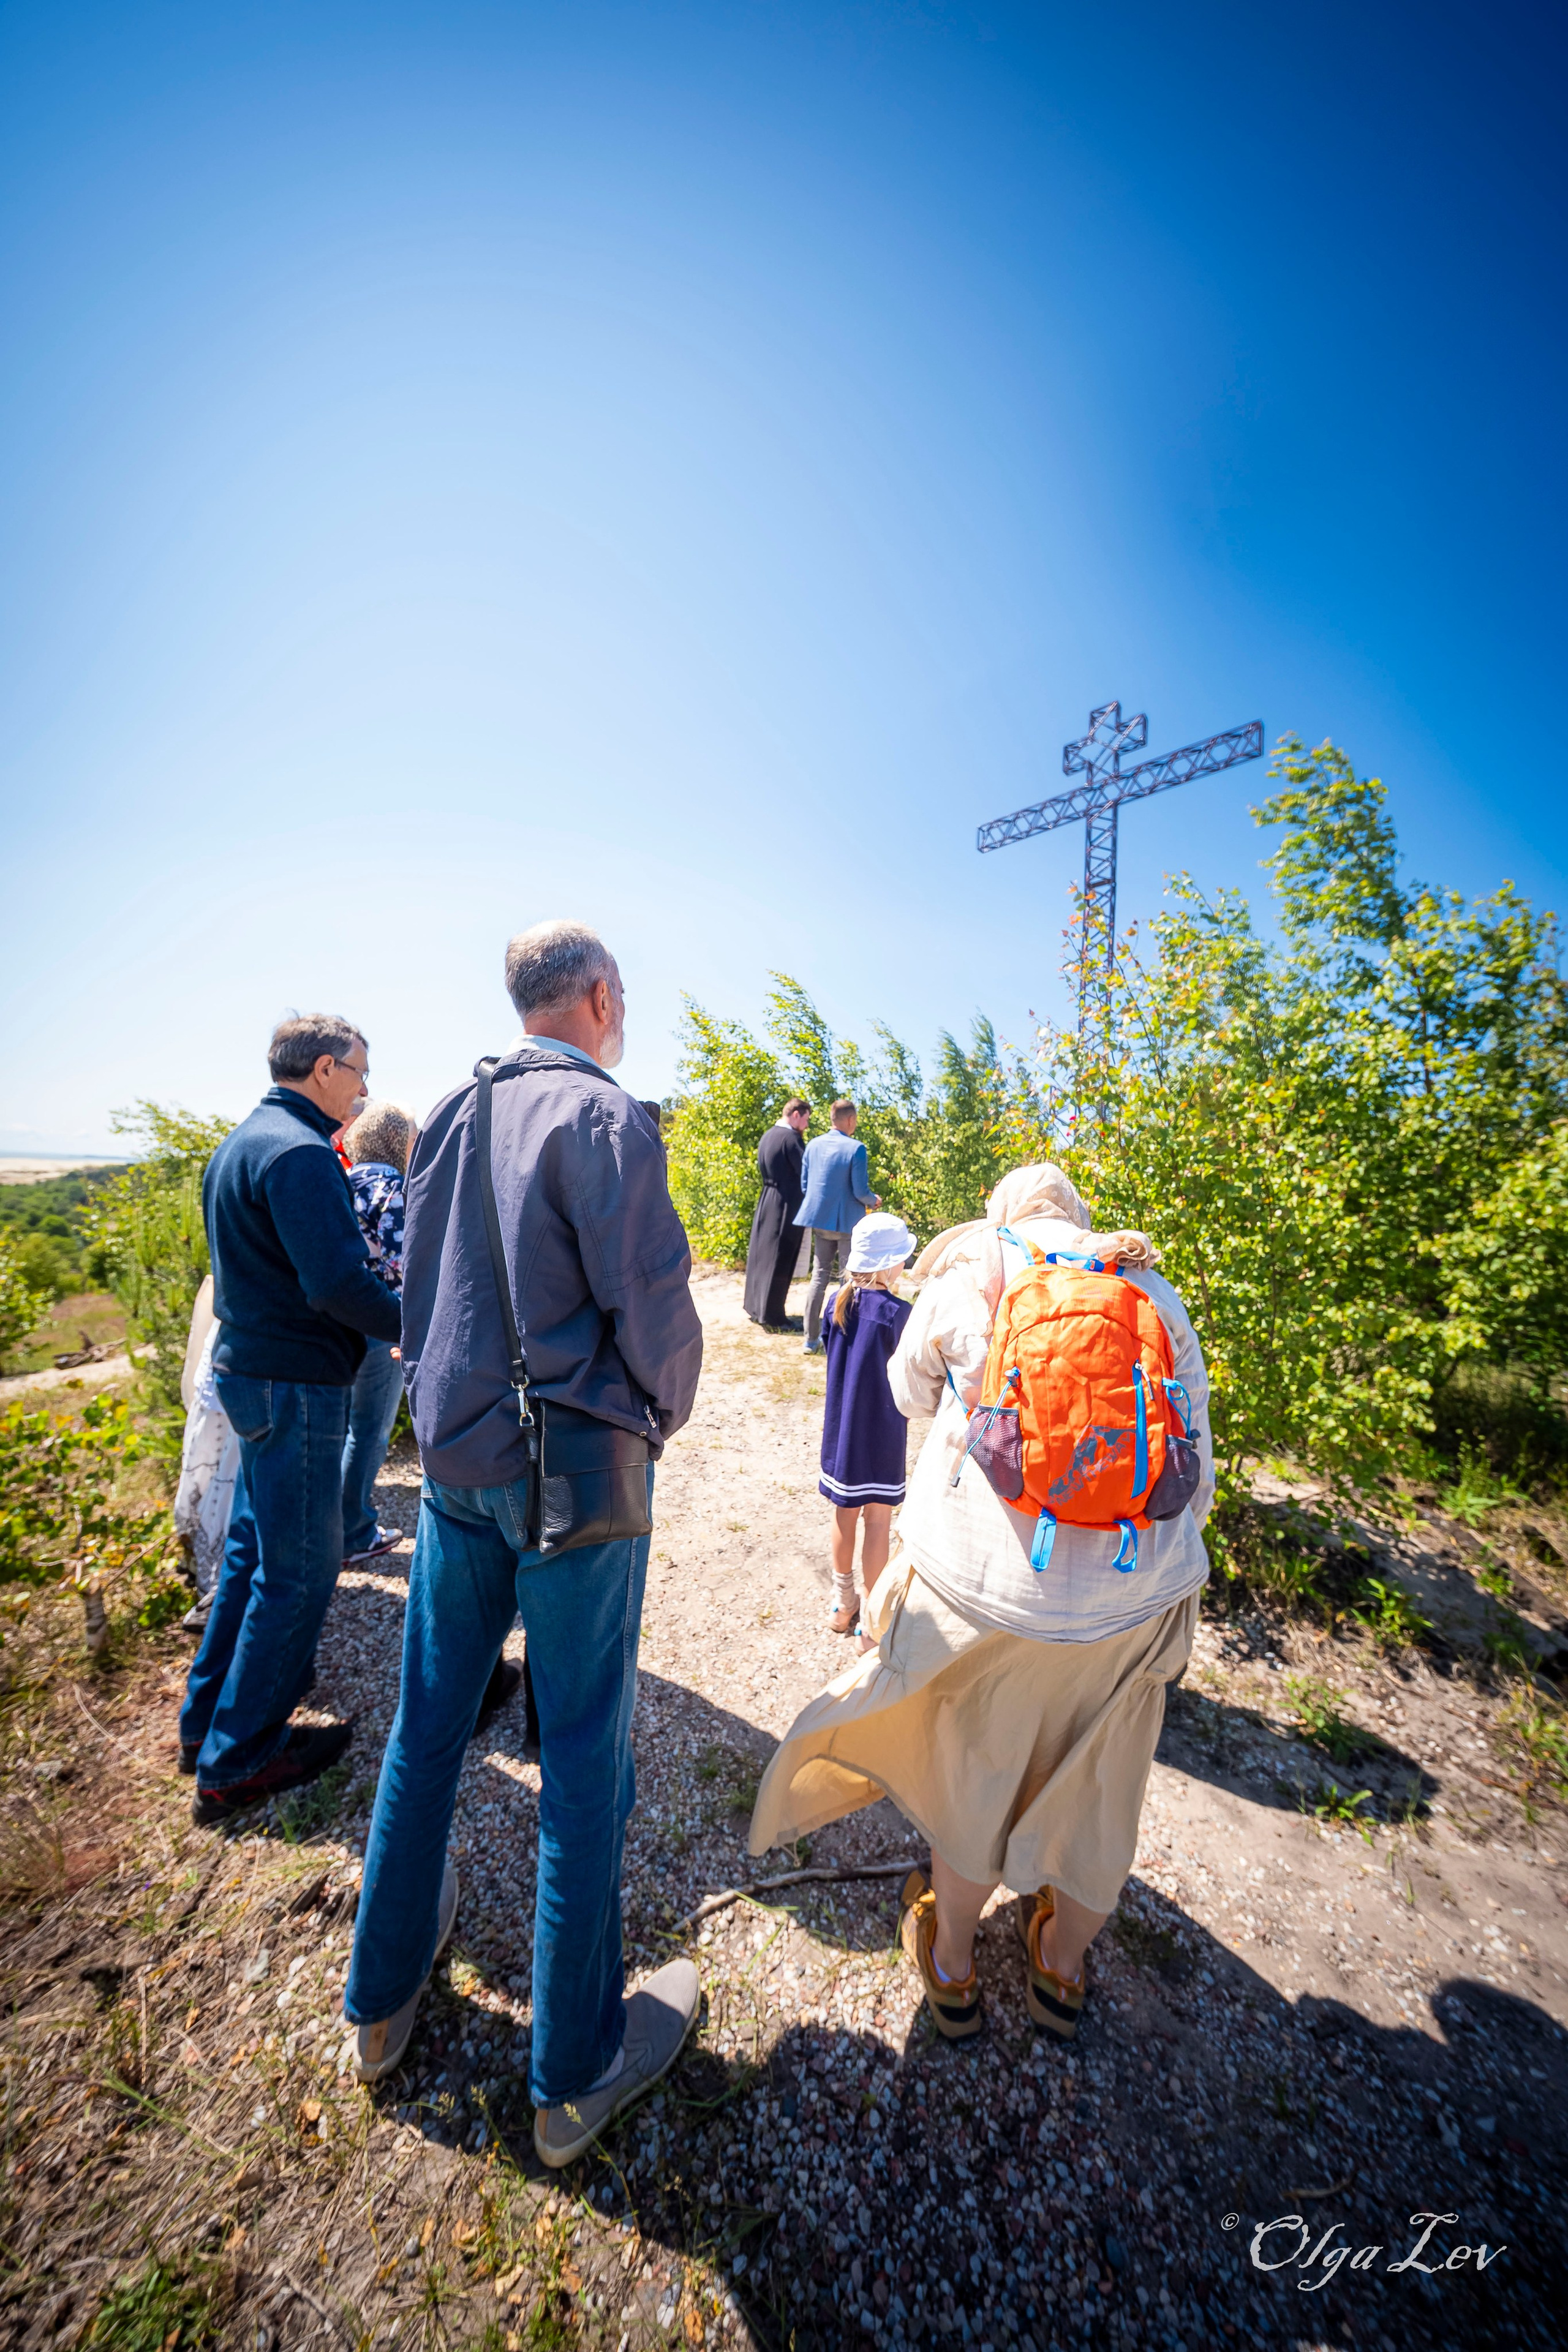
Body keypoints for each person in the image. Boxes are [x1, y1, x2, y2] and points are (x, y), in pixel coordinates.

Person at [343, 919, 704, 2169]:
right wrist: (658, 1416)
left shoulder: (447, 1108)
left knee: (426, 1725)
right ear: (600, 995)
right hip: (573, 1483)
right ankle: (571, 2077)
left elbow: (420, 1287)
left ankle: (380, 2008)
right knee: (584, 1753)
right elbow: (653, 1310)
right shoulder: (606, 1121)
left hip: (455, 1470)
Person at [748, 1163, 1213, 2045]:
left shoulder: (972, 1276)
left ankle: (955, 1965)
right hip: (1134, 1602)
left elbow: (905, 1393)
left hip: (988, 1594)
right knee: (1100, 1794)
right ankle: (1060, 1969)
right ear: (1079, 1215)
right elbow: (1198, 1471)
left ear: (1002, 1212)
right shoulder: (1148, 1285)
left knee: (974, 1777)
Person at [179, 1016, 402, 1824]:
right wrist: (424, 1323)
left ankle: (204, 1726)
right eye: (359, 1072)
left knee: (251, 1557)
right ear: (322, 1068)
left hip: (251, 1376)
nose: (365, 1088)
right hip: (295, 1384)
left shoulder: (245, 1140)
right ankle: (238, 1762)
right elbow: (338, 1283)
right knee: (301, 1574)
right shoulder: (303, 1153)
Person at [818, 1212, 915, 1637]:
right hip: (882, 1434)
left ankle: (844, 1604)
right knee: (877, 1522)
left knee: (844, 1515)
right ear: (889, 1263)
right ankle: (872, 1623)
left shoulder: (835, 1302)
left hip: (841, 1433)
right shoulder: (899, 1314)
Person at [339, 1099, 415, 1569]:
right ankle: (355, 1531)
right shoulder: (395, 1190)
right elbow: (413, 1261)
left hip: (339, 1324)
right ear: (396, 1141)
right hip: (383, 1327)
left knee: (342, 1430)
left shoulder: (340, 1183)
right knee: (369, 1431)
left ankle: (332, 1528)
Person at [172, 1275, 240, 1636]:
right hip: (242, 1351)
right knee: (223, 1476)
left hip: (232, 1344)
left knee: (222, 1476)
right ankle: (220, 1589)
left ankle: (217, 1582)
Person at [794, 1097, 880, 1354]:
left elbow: (805, 1186)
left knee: (819, 1277)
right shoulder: (857, 1148)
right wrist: (874, 1200)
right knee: (848, 1279)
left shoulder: (813, 1145)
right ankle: (845, 1338)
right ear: (851, 1120)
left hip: (819, 1220)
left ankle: (810, 1340)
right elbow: (860, 1190)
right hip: (847, 1223)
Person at [742, 1098, 810, 1328]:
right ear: (796, 1115)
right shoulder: (791, 1139)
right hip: (786, 1203)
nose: (807, 1125)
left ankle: (755, 1307)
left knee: (762, 1256)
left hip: (767, 1199)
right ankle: (773, 1316)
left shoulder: (768, 1135)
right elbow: (805, 1172)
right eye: (806, 1119)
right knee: (781, 1258)